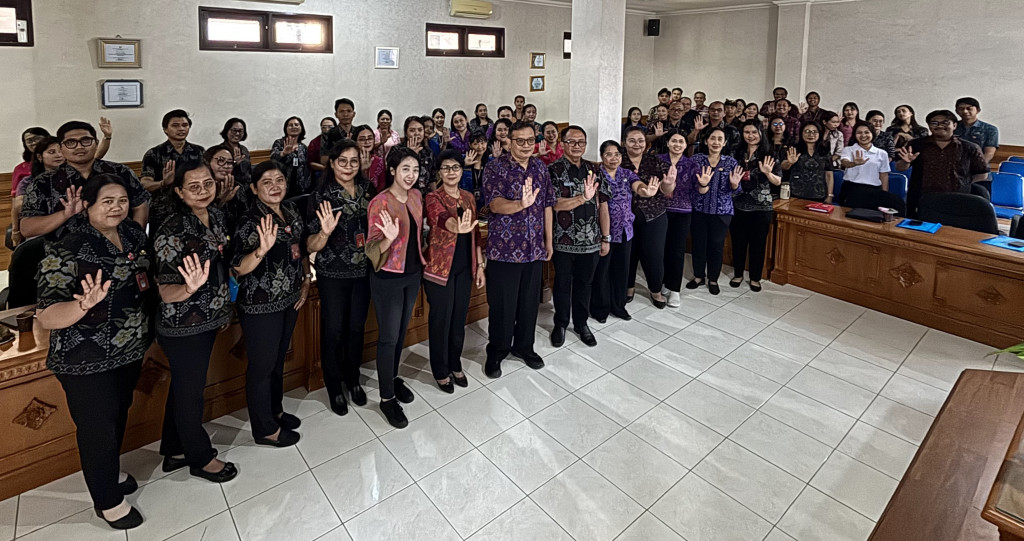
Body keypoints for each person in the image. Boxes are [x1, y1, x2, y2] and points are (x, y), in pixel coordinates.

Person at [36, 174, 155, 530]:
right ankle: (107, 501)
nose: (117, 207)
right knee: (97, 428)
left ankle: (109, 474)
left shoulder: (133, 234)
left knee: (118, 414)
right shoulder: (68, 246)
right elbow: (47, 314)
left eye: (121, 200)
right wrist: (84, 306)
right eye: (107, 201)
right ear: (87, 204)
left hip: (129, 348)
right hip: (84, 356)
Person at [153, 163, 238, 484]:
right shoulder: (171, 231)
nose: (203, 191)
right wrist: (189, 288)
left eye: (208, 183)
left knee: (183, 389)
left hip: (210, 316)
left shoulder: (216, 216)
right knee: (191, 393)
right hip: (182, 325)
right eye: (194, 186)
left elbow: (223, 264)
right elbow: (164, 290)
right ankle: (200, 457)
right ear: (178, 191)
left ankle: (174, 448)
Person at [231, 161, 310, 447]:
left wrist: (306, 277)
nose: (275, 186)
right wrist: (261, 250)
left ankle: (275, 410)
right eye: (267, 182)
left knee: (277, 361)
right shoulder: (249, 220)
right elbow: (238, 266)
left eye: (279, 180)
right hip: (259, 304)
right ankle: (264, 429)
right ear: (254, 188)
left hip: (290, 298)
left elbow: (299, 248)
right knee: (262, 366)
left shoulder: (290, 211)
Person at [306, 140, 374, 415]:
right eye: (342, 161)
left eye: (354, 161)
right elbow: (310, 245)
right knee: (334, 330)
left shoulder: (368, 190)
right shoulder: (320, 196)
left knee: (356, 329)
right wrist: (324, 232)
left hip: (362, 271)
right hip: (332, 273)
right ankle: (334, 385)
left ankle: (353, 379)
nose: (348, 166)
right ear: (331, 163)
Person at [482, 121, 554, 378]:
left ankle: (525, 347)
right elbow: (494, 204)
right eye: (519, 141)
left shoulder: (540, 167)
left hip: (534, 249)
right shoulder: (495, 167)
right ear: (508, 141)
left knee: (528, 304)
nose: (525, 146)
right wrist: (520, 204)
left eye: (529, 141)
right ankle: (497, 352)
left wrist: (549, 240)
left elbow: (547, 204)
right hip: (504, 250)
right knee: (502, 306)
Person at [365, 147, 426, 428]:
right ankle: (387, 399)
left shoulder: (416, 196)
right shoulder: (379, 202)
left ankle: (392, 377)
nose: (411, 175)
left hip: (412, 272)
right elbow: (372, 249)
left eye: (414, 169)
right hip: (388, 277)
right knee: (388, 337)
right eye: (405, 169)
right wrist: (389, 239)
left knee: (402, 332)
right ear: (392, 171)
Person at [21, 121, 150, 241]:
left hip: (119, 247)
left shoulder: (120, 172)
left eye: (86, 140)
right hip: (66, 252)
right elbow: (27, 228)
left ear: (96, 143)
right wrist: (65, 214)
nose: (79, 147)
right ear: (60, 148)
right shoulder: (44, 182)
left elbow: (140, 206)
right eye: (71, 142)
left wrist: (136, 238)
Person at [423, 150, 485, 393]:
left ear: (462, 170)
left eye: (456, 167)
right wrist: (455, 226)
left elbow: (477, 233)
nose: (451, 172)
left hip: (464, 267)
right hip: (439, 269)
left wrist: (479, 265)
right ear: (439, 172)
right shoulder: (432, 197)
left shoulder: (469, 197)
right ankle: (440, 369)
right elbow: (440, 219)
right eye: (446, 168)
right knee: (441, 320)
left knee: (459, 319)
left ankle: (455, 362)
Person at [548, 126, 609, 348]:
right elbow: (554, 204)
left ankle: (581, 323)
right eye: (572, 142)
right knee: (563, 284)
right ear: (562, 144)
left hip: (591, 241)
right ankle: (561, 323)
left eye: (581, 142)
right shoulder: (553, 170)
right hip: (563, 241)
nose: (577, 146)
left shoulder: (594, 169)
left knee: (585, 284)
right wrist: (582, 198)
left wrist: (606, 237)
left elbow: (602, 204)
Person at [896, 109, 989, 216]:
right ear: (929, 126)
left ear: (954, 125)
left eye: (945, 122)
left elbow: (982, 174)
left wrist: (963, 184)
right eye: (934, 123)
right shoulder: (916, 144)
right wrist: (905, 162)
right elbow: (900, 167)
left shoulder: (970, 148)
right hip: (921, 198)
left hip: (957, 200)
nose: (939, 126)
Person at [623, 127, 675, 308]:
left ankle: (655, 290)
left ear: (646, 143)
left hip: (654, 215)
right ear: (624, 142)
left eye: (641, 140)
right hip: (625, 217)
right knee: (629, 254)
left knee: (653, 254)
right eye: (632, 140)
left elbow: (667, 190)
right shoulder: (618, 162)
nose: (637, 144)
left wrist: (667, 185)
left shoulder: (656, 162)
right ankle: (628, 287)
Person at [688, 127, 743, 295]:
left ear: (724, 143)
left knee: (716, 246)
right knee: (698, 244)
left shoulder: (731, 162)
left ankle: (713, 279)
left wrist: (734, 184)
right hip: (699, 210)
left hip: (722, 212)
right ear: (706, 141)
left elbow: (737, 190)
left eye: (720, 139)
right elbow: (690, 185)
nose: (716, 142)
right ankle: (698, 276)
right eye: (713, 138)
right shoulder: (697, 159)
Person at [730, 120, 781, 292]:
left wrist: (768, 172)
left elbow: (778, 181)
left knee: (758, 244)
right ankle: (738, 274)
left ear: (761, 132)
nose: (750, 136)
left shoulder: (770, 153)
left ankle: (755, 278)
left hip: (761, 206)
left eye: (754, 132)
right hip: (738, 204)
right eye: (746, 132)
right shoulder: (737, 152)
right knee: (738, 242)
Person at [591, 140, 636, 323]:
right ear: (602, 157)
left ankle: (619, 305)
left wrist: (646, 189)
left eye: (617, 154)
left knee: (621, 270)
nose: (614, 158)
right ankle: (600, 308)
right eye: (609, 154)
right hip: (604, 232)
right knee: (602, 271)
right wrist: (604, 237)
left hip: (626, 230)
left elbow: (638, 185)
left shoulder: (626, 173)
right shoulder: (595, 175)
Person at [140, 110, 205, 229]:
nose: (181, 129)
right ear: (165, 129)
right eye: (175, 125)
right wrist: (162, 183)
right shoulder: (154, 154)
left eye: (185, 125)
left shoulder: (199, 152)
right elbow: (144, 183)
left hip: (194, 207)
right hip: (164, 211)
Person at [657, 133, 699, 307]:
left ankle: (674, 289)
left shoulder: (691, 164)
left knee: (676, 250)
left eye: (681, 141)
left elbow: (699, 188)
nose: (677, 144)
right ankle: (663, 283)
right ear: (667, 143)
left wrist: (703, 184)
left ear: (685, 145)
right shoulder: (658, 160)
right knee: (660, 249)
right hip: (660, 210)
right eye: (673, 140)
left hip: (682, 211)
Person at [781, 120, 834, 203]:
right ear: (801, 133)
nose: (811, 134)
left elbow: (829, 174)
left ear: (819, 134)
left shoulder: (824, 151)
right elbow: (783, 167)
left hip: (819, 194)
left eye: (814, 132)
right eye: (807, 131)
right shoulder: (794, 149)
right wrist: (790, 162)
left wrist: (830, 195)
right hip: (795, 194)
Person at [837, 120, 890, 204]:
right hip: (851, 189)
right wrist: (853, 163)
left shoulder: (882, 153)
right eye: (859, 133)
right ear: (854, 135)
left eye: (867, 132)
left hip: (874, 190)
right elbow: (844, 162)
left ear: (873, 134)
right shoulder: (848, 149)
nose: (863, 135)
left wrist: (885, 195)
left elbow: (884, 175)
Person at [270, 116, 312, 197]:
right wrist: (283, 153)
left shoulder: (303, 147)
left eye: (296, 125)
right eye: (290, 125)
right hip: (283, 185)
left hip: (301, 187)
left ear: (301, 128)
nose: (294, 127)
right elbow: (273, 158)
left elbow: (306, 167)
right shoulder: (279, 143)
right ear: (286, 128)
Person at [395, 116, 436, 193]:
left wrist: (435, 196)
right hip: (403, 194)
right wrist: (410, 154)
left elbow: (432, 179)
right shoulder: (397, 150)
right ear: (406, 133)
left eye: (420, 130)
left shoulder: (428, 152)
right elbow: (393, 176)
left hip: (424, 195)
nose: (417, 133)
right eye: (412, 130)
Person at [954, 97, 999, 164]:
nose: (965, 111)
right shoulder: (952, 127)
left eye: (969, 108)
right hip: (953, 166)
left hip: (978, 167)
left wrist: (978, 167)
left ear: (978, 110)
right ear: (956, 111)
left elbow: (989, 153)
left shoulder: (990, 129)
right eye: (961, 109)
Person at [319, 98, 357, 166]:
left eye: (348, 111)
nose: (345, 114)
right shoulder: (327, 135)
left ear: (354, 114)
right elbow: (323, 160)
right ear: (336, 114)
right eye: (342, 111)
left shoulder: (359, 133)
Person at [352, 124, 387, 192]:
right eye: (362, 139)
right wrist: (362, 171)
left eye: (370, 138)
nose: (367, 142)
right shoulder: (351, 161)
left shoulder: (379, 161)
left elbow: (382, 188)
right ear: (355, 142)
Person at [220, 117, 253, 186]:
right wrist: (234, 163)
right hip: (230, 186)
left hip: (247, 186)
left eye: (240, 131)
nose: (237, 134)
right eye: (234, 131)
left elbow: (248, 171)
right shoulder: (220, 150)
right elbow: (220, 173)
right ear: (227, 131)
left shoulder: (244, 149)